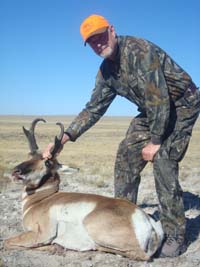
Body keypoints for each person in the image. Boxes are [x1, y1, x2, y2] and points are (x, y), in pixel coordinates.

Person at [43, 14, 200, 257]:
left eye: (100, 36)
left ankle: (175, 234)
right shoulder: (106, 72)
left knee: (164, 162)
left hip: (182, 105)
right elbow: (93, 108)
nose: (98, 44)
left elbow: (158, 99)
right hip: (152, 111)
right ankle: (122, 219)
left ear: (112, 31)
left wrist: (156, 142)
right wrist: (62, 140)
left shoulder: (139, 51)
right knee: (126, 154)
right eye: (91, 42)